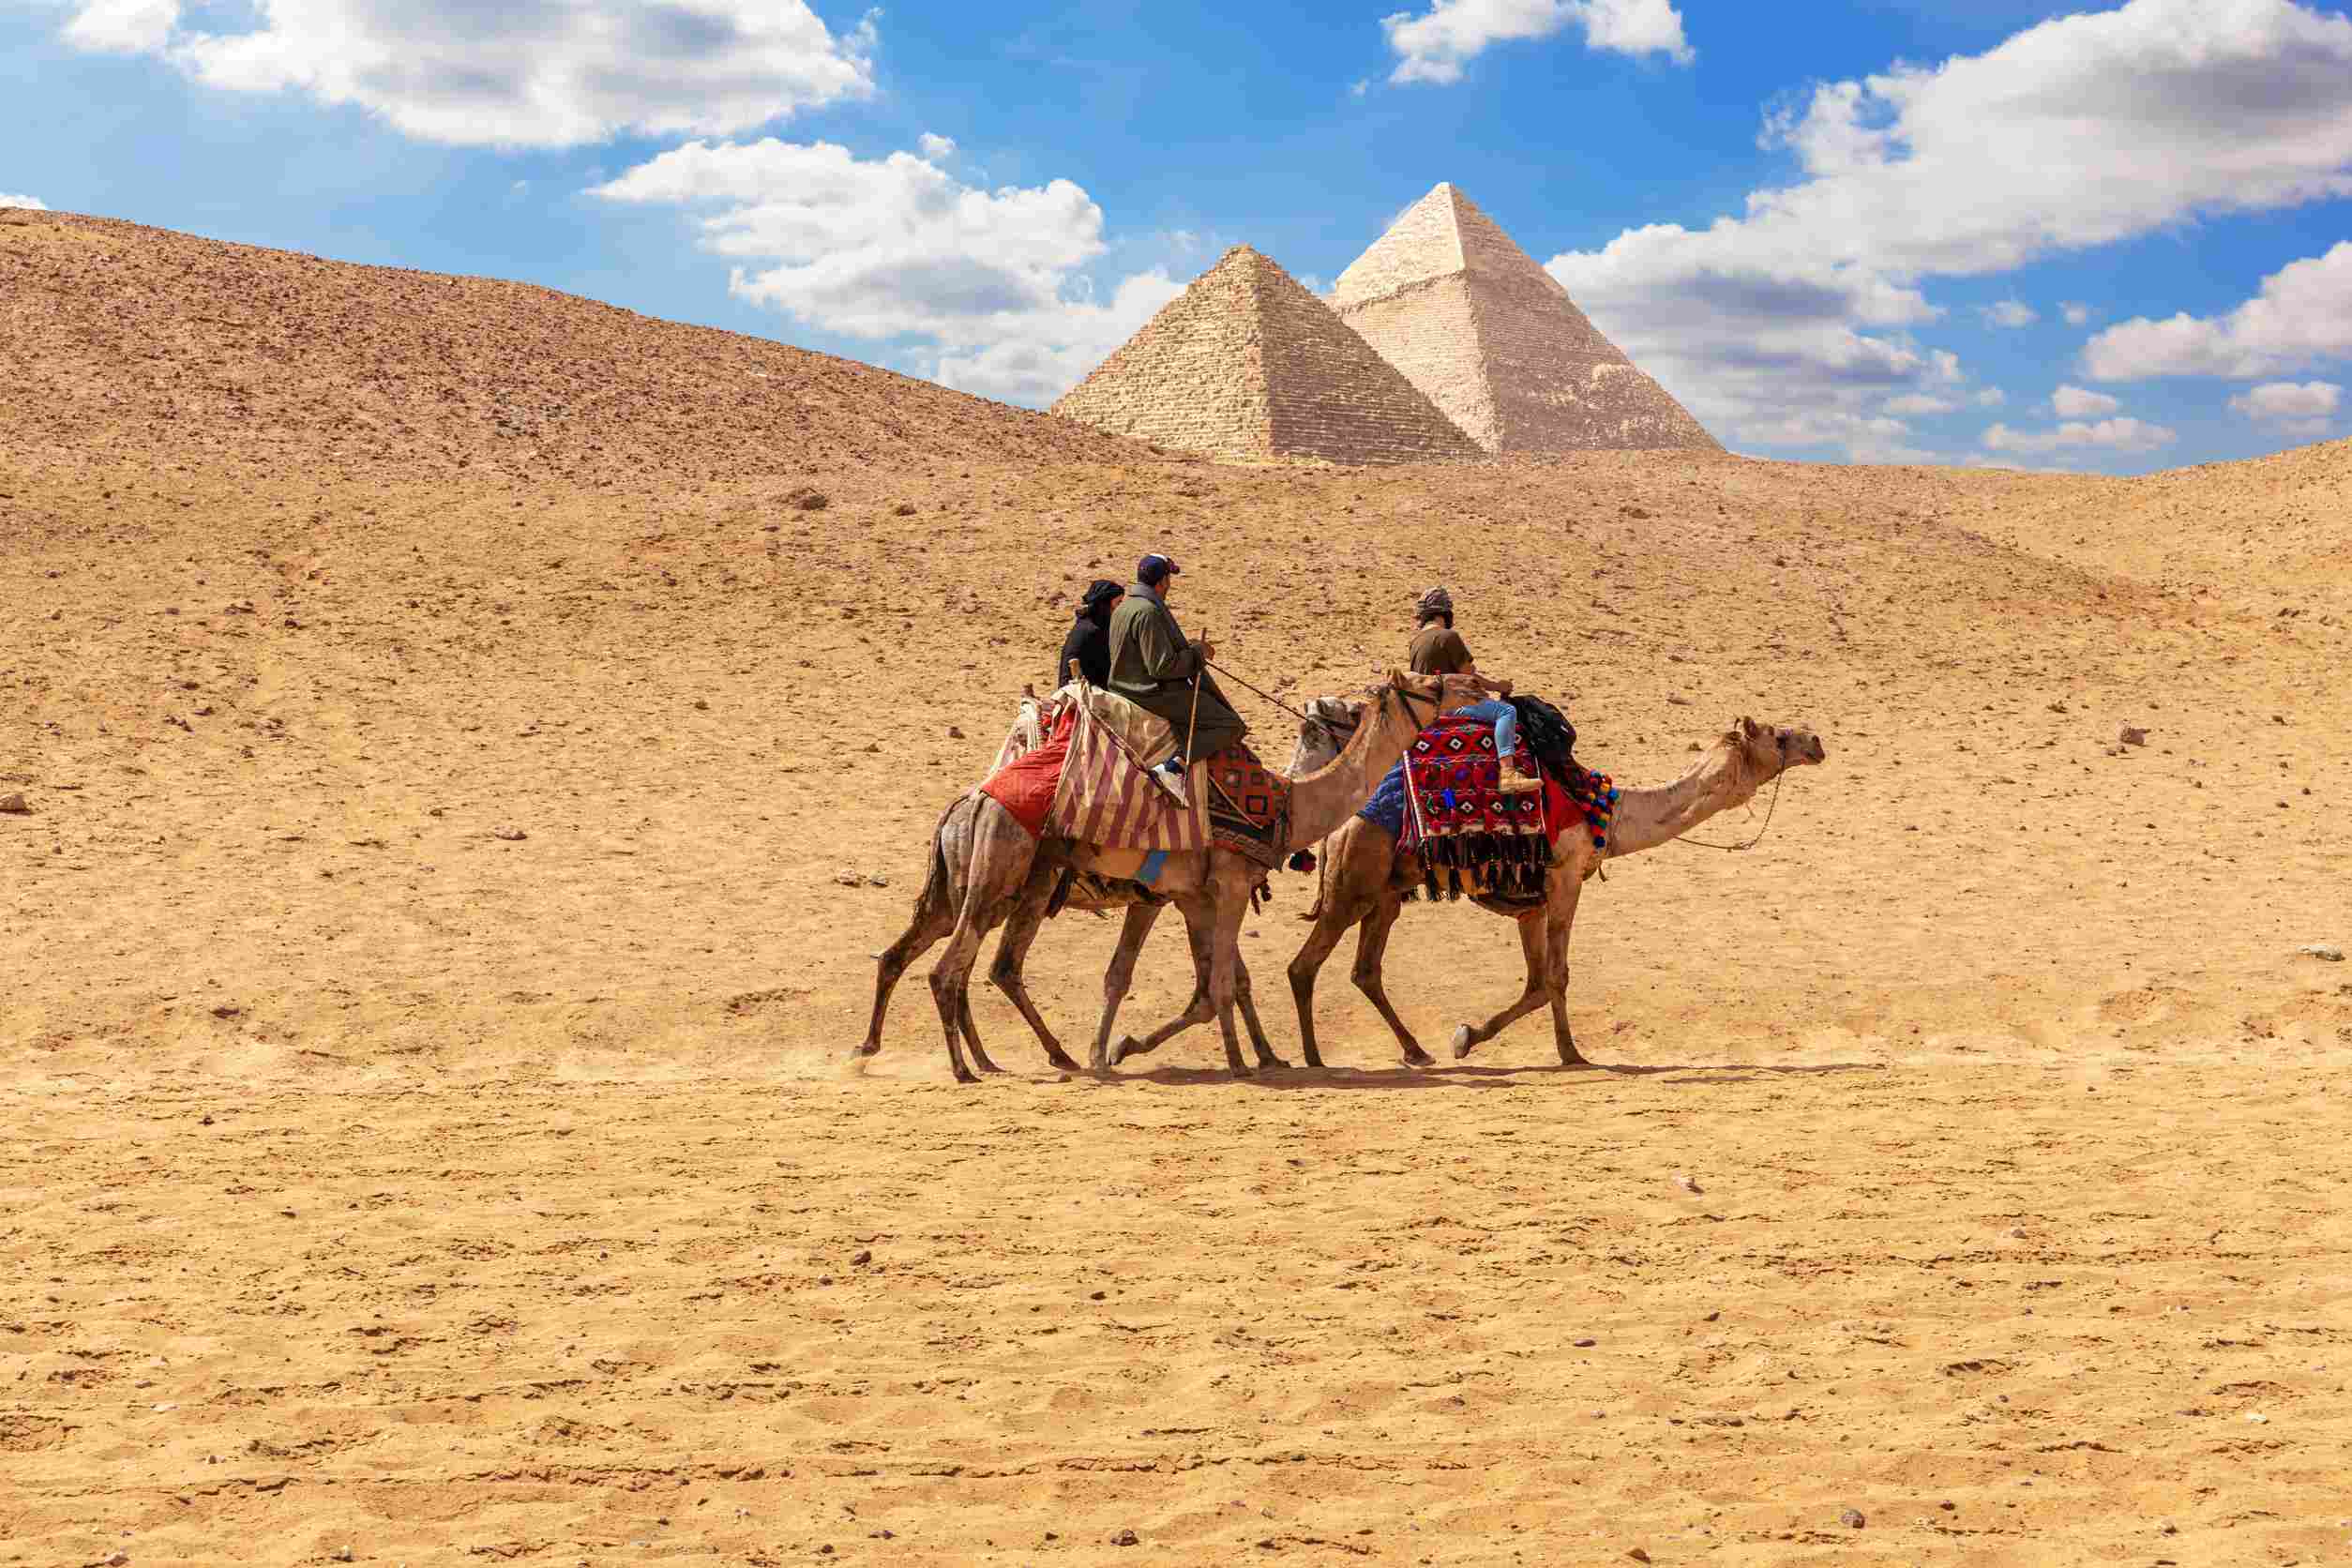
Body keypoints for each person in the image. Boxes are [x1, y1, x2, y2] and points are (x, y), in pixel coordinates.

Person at [1106, 553, 1247, 763]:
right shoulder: (1148, 612)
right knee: (1229, 724)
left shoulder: (1124, 608)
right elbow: (1161, 668)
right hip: (1148, 693)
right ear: (1163, 581)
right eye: (1168, 580)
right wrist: (1199, 653)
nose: (1168, 585)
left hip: (1122, 686)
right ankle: (1176, 764)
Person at [1056, 579, 1123, 689]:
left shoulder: (1100, 626)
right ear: (1106, 604)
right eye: (1118, 603)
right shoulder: (1089, 630)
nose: (1120, 608)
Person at [1407, 586, 1476, 676]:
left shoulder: (1415, 641)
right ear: (1446, 614)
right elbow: (1468, 673)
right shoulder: (1448, 636)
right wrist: (1496, 686)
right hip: (1443, 689)